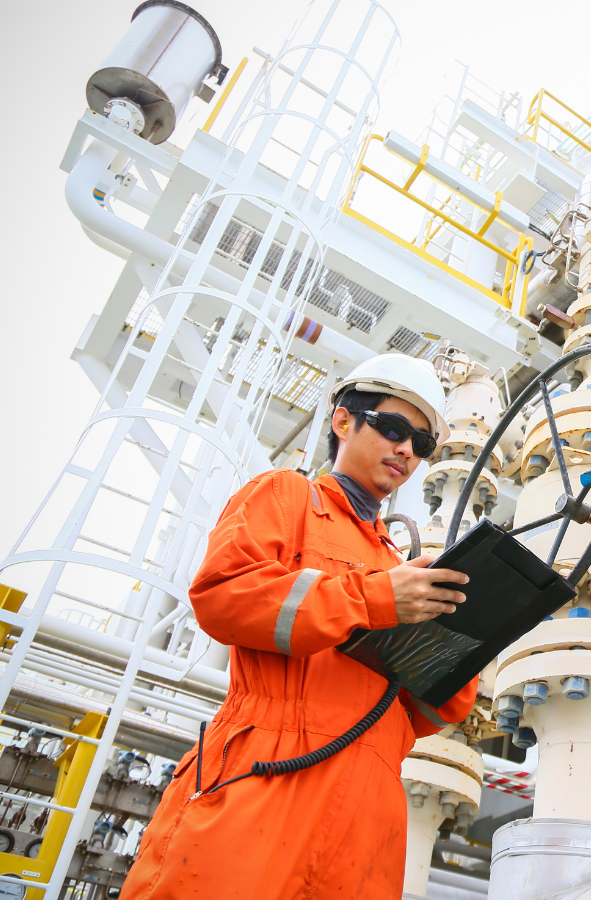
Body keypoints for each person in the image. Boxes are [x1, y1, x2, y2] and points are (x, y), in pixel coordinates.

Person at [121, 354, 477, 900]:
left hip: (368, 814)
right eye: (394, 428)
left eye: (422, 444)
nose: (406, 450)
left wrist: (467, 645)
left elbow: (423, 713)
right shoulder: (287, 498)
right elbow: (223, 597)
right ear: (343, 421)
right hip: (269, 775)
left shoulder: (397, 566)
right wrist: (375, 598)